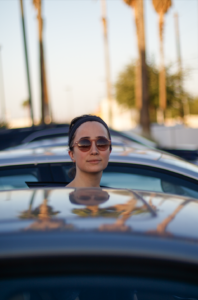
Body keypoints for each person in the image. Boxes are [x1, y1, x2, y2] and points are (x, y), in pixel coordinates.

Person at [66, 115, 112, 188]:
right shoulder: (60, 199)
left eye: (102, 143)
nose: (94, 151)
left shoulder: (118, 198)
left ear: (109, 151)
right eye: (84, 144)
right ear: (71, 154)